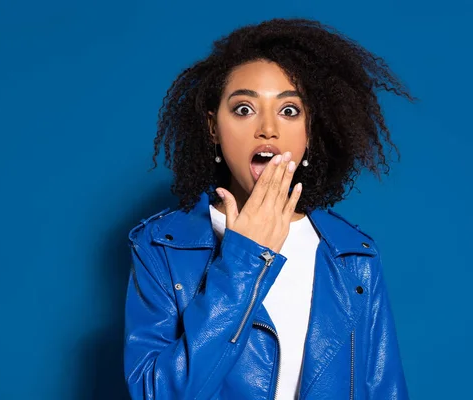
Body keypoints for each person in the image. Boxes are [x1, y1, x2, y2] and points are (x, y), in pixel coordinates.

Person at [123, 18, 413, 400]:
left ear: (311, 130)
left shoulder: (352, 254)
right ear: (213, 128)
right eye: (244, 109)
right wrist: (244, 257)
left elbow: (385, 390)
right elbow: (155, 393)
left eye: (289, 110)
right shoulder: (162, 246)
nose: (267, 129)